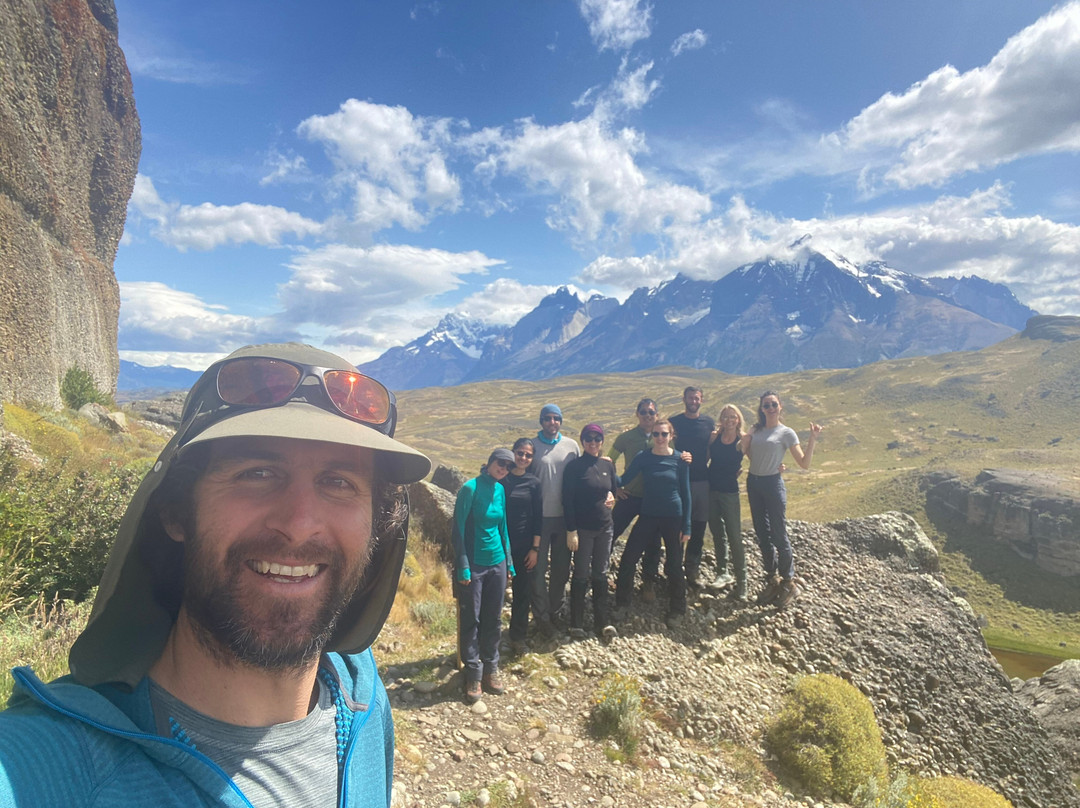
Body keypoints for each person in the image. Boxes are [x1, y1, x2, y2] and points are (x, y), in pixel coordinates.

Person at [0, 343, 432, 808]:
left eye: (339, 482)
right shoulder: (48, 766)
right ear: (176, 511)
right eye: (258, 472)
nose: (300, 522)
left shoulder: (361, 694)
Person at [740, 391, 822, 609]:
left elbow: (804, 463)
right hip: (754, 483)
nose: (770, 408)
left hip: (773, 485)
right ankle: (772, 579)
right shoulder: (756, 429)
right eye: (766, 405)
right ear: (761, 408)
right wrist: (749, 435)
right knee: (761, 533)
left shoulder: (786, 433)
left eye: (773, 404)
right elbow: (746, 449)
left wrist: (812, 439)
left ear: (780, 406)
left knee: (778, 533)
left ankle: (788, 581)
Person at [451, 449, 516, 703]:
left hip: (497, 562)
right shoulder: (470, 489)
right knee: (471, 619)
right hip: (475, 564)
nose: (503, 469)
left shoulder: (500, 490)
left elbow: (503, 528)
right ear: (489, 463)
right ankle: (473, 673)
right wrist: (463, 565)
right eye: (500, 464)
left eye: (508, 466)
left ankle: (491, 667)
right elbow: (457, 529)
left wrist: (508, 563)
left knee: (493, 618)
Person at [614, 419, 692, 628]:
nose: (659, 438)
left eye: (664, 434)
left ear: (671, 436)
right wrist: (603, 473)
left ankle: (678, 608)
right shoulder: (644, 458)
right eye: (656, 434)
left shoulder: (680, 459)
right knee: (629, 557)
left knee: (675, 564)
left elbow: (686, 494)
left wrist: (687, 526)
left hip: (673, 518)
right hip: (648, 515)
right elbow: (624, 479)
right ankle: (622, 603)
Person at [562, 424, 619, 640]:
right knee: (581, 574)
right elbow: (567, 500)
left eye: (597, 438)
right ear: (582, 440)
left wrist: (612, 497)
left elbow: (612, 489)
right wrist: (571, 530)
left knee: (601, 573)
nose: (593, 442)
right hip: (583, 530)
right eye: (588, 438)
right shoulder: (574, 467)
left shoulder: (607, 465)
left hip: (605, 527)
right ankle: (576, 623)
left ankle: (602, 622)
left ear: (602, 441)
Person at [529, 403, 580, 637]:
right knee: (537, 570)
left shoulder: (571, 446)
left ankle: (555, 611)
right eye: (548, 418)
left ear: (561, 421)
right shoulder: (531, 447)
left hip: (565, 519)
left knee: (561, 569)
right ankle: (541, 617)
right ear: (541, 421)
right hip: (538, 519)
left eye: (556, 418)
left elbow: (584, 472)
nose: (552, 422)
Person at [607, 398, 664, 601]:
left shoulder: (663, 436)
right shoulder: (626, 437)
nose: (647, 416)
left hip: (654, 500)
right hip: (629, 496)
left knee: (654, 543)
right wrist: (616, 487)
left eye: (651, 412)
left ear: (656, 414)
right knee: (610, 534)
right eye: (643, 412)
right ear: (637, 414)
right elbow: (608, 461)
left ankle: (648, 583)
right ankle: (601, 574)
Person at [498, 438, 542, 655]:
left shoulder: (534, 483)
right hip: (500, 545)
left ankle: (518, 637)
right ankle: (490, 636)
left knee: (522, 592)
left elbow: (538, 518)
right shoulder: (501, 480)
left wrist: (535, 549)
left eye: (528, 455)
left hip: (525, 547)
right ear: (513, 453)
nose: (523, 458)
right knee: (495, 592)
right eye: (520, 453)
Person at [669, 386, 715, 587]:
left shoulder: (708, 423)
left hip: (701, 480)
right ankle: (674, 568)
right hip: (679, 480)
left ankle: (692, 567)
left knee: (698, 524)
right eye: (690, 398)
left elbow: (712, 449)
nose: (693, 401)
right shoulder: (674, 423)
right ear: (684, 399)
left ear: (701, 400)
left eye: (696, 398)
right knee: (678, 524)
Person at [707, 404, 747, 601]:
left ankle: (742, 583)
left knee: (734, 536)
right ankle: (722, 572)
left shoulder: (743, 439)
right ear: (721, 419)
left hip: (730, 493)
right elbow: (706, 459)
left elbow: (757, 458)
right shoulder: (714, 437)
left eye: (733, 417)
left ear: (738, 419)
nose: (729, 420)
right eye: (725, 417)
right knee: (717, 533)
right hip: (711, 489)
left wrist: (777, 469)